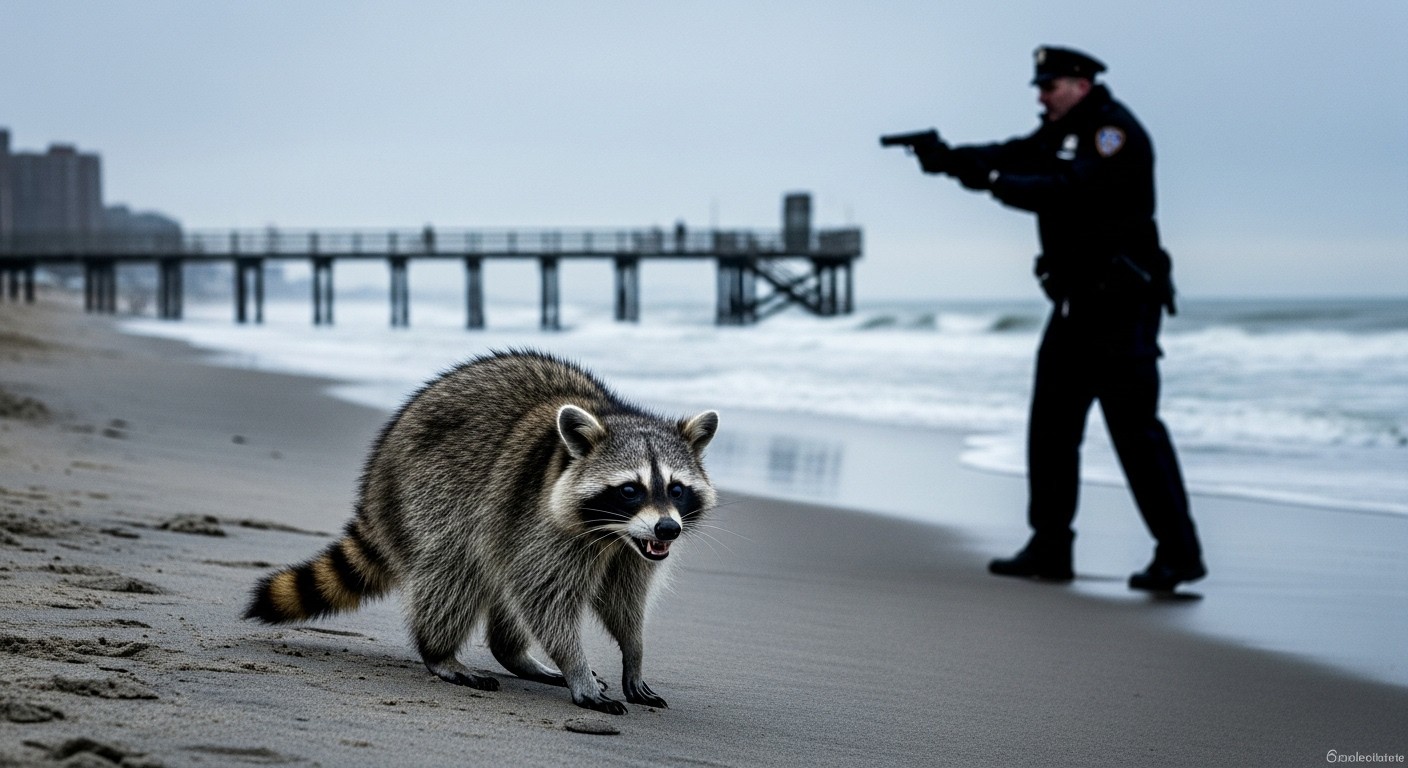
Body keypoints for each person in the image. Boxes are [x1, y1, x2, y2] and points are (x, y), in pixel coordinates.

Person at [903, 46, 1206, 592]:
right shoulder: (1060, 131)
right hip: (1074, 307)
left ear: (1081, 83)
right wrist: (949, 159)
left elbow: (1070, 191)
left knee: (1135, 434)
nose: (1041, 96)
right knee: (1050, 430)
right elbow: (1014, 154)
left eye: (1050, 86)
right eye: (1039, 87)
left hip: (1121, 308)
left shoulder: (1114, 134)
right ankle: (1050, 547)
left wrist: (991, 181)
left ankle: (1179, 554)